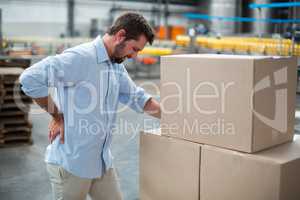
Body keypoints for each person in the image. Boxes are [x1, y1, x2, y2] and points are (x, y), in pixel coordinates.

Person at [19, 12, 161, 200]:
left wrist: (175, 116)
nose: (134, 56)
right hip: (72, 164)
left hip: (100, 162)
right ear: (120, 36)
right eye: (134, 49)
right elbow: (30, 78)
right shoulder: (80, 58)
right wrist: (56, 115)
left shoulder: (115, 65)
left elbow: (137, 97)